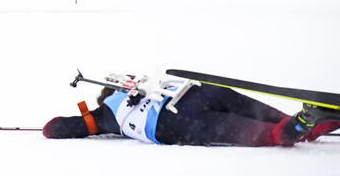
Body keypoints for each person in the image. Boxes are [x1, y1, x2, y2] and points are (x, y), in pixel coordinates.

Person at [43, 74, 340, 146]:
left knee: (265, 134)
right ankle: (312, 121)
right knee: (263, 114)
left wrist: (90, 121)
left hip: (174, 123)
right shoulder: (143, 81)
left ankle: (300, 126)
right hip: (196, 92)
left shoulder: (105, 114)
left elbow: (54, 128)